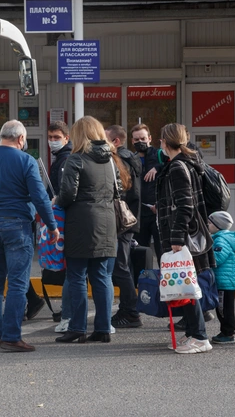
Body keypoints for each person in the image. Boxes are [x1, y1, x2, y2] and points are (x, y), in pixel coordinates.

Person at [0, 120, 59, 352]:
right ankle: (11, 337)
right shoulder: (26, 161)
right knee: (18, 283)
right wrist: (52, 226)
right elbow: (39, 197)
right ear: (21, 139)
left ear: (1, 136)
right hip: (17, 225)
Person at [55, 116, 119, 344]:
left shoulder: (76, 160)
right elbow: (118, 190)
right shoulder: (111, 160)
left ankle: (78, 328)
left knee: (77, 276)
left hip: (81, 223)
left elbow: (68, 195)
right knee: (102, 276)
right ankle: (103, 328)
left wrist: (56, 201)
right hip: (108, 222)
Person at [156, 123, 214, 354]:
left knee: (186, 286)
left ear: (164, 141)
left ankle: (199, 337)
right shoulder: (186, 164)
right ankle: (192, 333)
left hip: (183, 236)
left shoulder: (178, 166)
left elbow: (185, 206)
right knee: (185, 284)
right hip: (185, 233)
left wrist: (177, 237)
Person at [106, 125, 143, 329]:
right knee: (123, 266)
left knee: (120, 267)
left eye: (105, 139)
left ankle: (131, 311)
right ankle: (128, 309)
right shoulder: (131, 158)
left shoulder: (119, 160)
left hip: (121, 220)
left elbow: (123, 192)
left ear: (116, 141)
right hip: (128, 219)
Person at [46, 120, 73, 333]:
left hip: (66, 221)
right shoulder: (61, 158)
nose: (53, 141)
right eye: (51, 137)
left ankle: (68, 314)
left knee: (71, 273)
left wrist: (55, 201)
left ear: (67, 138)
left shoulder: (65, 160)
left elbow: (65, 193)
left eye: (57, 138)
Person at [207, 211, 235, 345]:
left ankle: (228, 333)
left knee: (224, 309)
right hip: (227, 279)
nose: (208, 225)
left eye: (210, 223)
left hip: (225, 281)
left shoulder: (221, 240)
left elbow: (218, 258)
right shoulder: (223, 238)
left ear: (218, 225)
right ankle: (226, 331)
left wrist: (207, 254)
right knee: (224, 307)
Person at [131, 124, 164, 261]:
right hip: (139, 213)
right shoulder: (131, 159)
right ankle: (142, 280)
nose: (140, 142)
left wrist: (158, 168)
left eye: (143, 138)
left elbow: (173, 165)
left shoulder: (160, 155)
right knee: (140, 253)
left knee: (163, 252)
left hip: (157, 211)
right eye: (137, 140)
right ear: (132, 141)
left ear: (149, 138)